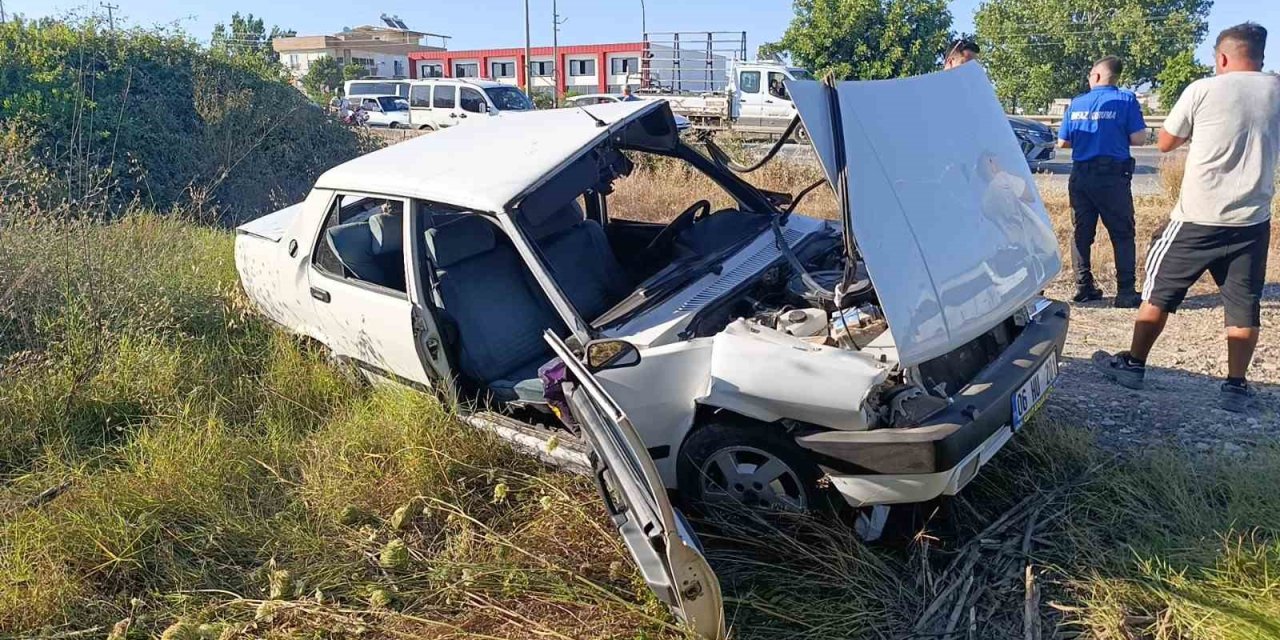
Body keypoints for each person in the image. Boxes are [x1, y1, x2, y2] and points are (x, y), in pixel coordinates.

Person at [1094, 22, 1279, 413]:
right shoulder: (1276, 90)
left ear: (1223, 57)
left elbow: (1164, 143)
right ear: (1260, 55)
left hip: (1198, 216)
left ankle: (1134, 363)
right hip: (1252, 220)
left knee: (1158, 291)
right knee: (1244, 303)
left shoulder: (1203, 89)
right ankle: (1235, 386)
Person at [1056, 56, 1147, 308]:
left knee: (1081, 233)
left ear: (1096, 76)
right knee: (1122, 233)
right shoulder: (1126, 100)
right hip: (1112, 178)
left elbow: (1063, 142)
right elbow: (1138, 139)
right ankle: (1126, 292)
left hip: (1081, 176)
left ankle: (1083, 287)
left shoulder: (1076, 103)